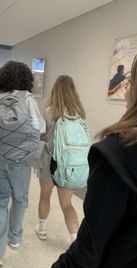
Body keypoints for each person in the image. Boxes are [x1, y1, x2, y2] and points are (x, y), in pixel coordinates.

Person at [45, 46, 137, 268]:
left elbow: (92, 245)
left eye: (132, 81)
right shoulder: (82, 117)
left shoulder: (116, 155)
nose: (126, 88)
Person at [0, 61, 45, 266]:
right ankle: (15, 239)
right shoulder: (27, 99)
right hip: (21, 161)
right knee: (20, 199)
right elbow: (40, 128)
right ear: (26, 79)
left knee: (0, 201)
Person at [35, 75, 87, 243]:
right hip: (69, 165)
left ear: (55, 90)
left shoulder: (49, 111)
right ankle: (74, 240)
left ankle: (42, 230)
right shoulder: (79, 113)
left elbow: (41, 135)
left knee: (44, 196)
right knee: (67, 204)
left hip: (49, 162)